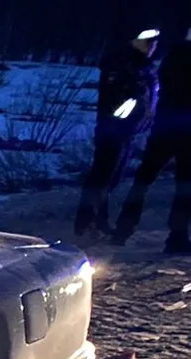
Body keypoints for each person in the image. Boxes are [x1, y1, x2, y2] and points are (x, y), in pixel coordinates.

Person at [74, 28, 160, 236]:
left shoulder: (141, 65)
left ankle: (97, 219)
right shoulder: (123, 64)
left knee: (111, 177)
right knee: (102, 175)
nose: (152, 49)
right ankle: (87, 221)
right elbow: (118, 98)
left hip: (127, 129)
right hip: (114, 129)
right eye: (149, 44)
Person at [113, 27, 191, 253]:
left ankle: (123, 228)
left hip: (164, 127)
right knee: (184, 186)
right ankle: (177, 236)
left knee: (143, 179)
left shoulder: (171, 58)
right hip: (186, 132)